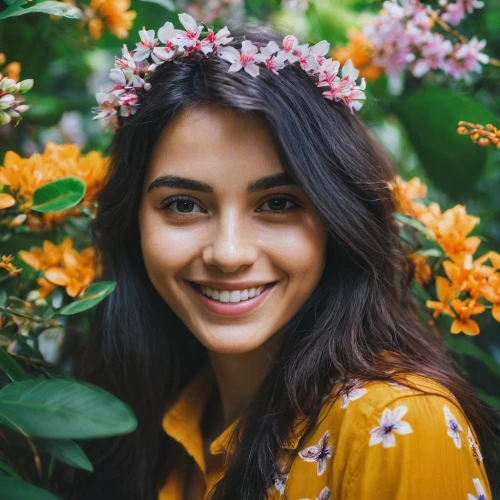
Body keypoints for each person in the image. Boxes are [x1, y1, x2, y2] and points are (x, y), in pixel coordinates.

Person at [70, 13, 495, 500]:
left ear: (339, 217)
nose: (229, 254)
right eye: (184, 205)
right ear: (134, 222)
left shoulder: (395, 424)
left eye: (278, 204)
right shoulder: (142, 415)